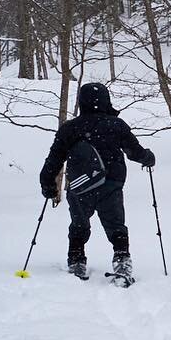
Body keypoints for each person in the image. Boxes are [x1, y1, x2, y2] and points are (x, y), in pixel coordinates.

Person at [39, 81, 156, 281]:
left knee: (79, 223)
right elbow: (134, 152)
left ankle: (76, 261)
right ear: (106, 100)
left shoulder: (70, 128)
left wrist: (47, 183)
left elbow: (54, 159)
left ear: (81, 102)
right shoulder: (116, 125)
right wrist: (148, 157)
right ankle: (122, 260)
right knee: (116, 224)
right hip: (111, 183)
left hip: (79, 185)